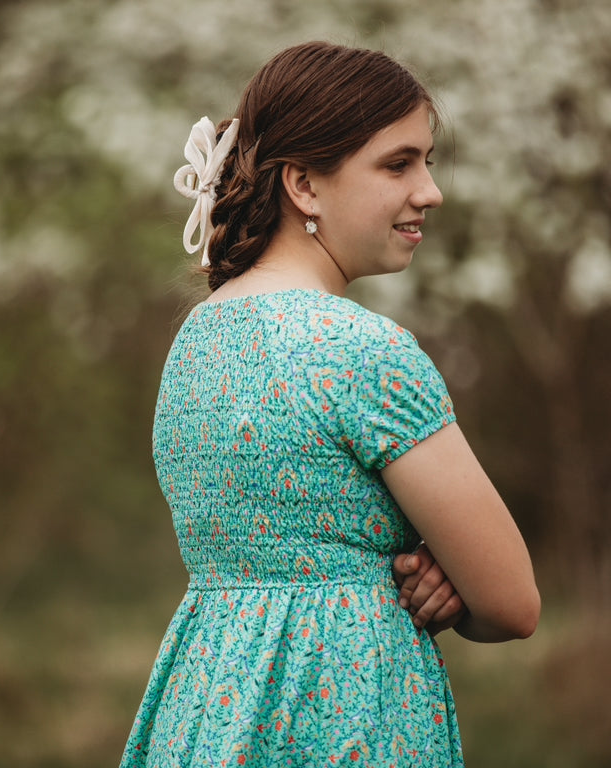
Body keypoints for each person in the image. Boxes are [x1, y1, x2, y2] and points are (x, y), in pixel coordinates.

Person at [120, 41, 539, 767]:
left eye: (427, 161)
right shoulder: (363, 352)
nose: (430, 191)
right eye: (397, 163)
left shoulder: (196, 337)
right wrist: (440, 573)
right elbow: (510, 601)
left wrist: (427, 562)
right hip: (342, 716)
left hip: (209, 712)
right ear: (304, 185)